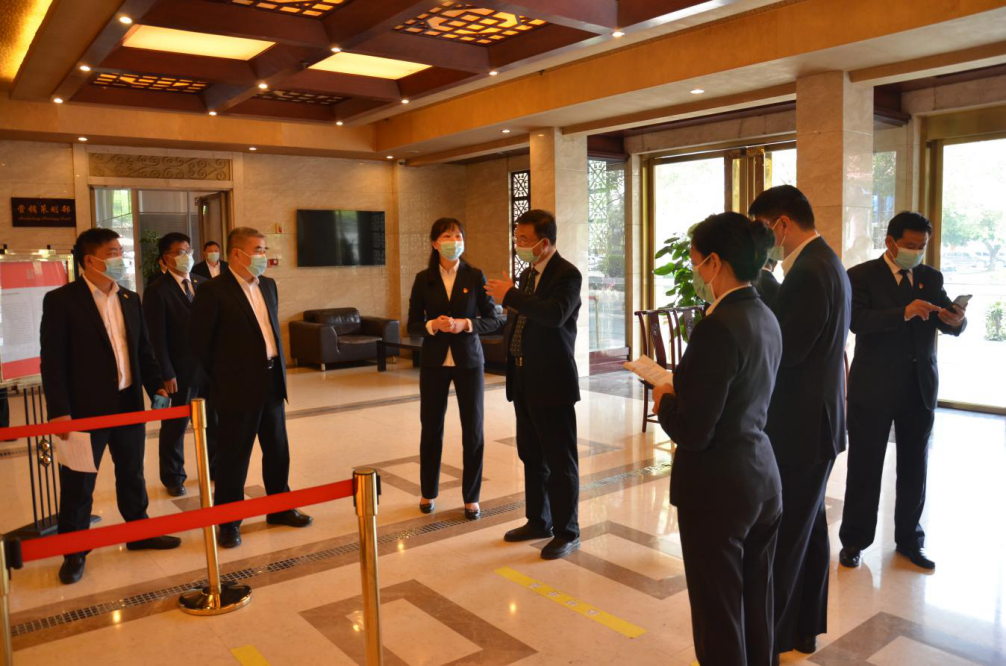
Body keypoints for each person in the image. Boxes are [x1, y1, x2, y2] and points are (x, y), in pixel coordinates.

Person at [653, 212, 783, 666]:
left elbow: (694, 431)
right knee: (756, 604)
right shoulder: (764, 314)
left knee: (719, 615)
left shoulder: (718, 326)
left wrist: (664, 399)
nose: (694, 270)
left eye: (695, 261)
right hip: (762, 478)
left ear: (714, 262)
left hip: (717, 490)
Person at [40, 228, 180, 585]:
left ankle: (139, 532)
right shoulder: (61, 301)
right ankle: (74, 551)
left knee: (132, 473)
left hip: (127, 402)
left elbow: (143, 350)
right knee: (79, 483)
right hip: (83, 410)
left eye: (120, 251)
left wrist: (156, 385)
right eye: (113, 252)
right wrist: (59, 411)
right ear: (90, 260)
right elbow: (52, 362)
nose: (121, 258)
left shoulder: (130, 298)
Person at [748, 185, 851, 659]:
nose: (762, 240)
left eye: (763, 229)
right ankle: (803, 629)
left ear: (782, 224)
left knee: (788, 537)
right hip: (816, 420)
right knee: (808, 533)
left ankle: (771, 640)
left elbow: (789, 349)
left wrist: (760, 282)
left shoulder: (810, 270)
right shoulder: (824, 261)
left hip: (803, 426)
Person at [839, 212, 966, 571]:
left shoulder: (930, 277)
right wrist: (903, 312)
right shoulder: (861, 275)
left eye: (922, 245)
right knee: (865, 468)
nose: (916, 251)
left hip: (918, 388)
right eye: (910, 245)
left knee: (914, 469)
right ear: (890, 242)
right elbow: (856, 321)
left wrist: (957, 319)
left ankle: (910, 540)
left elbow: (944, 318)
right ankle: (855, 541)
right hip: (873, 388)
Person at [190, 227, 311, 549]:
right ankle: (229, 522)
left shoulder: (268, 285)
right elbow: (200, 344)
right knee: (234, 458)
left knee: (277, 451)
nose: (263, 255)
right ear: (236, 254)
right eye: (257, 249)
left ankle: (279, 508)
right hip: (236, 388)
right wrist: (222, 381)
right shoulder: (213, 291)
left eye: (264, 249)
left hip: (272, 382)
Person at [486, 209, 582, 560]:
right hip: (523, 377)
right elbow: (521, 320)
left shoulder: (567, 274)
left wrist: (510, 295)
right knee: (531, 454)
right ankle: (538, 520)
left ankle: (567, 531)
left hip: (552, 380)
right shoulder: (527, 275)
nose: (519, 244)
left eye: (524, 239)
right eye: (517, 238)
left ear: (544, 242)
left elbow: (554, 314)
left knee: (560, 459)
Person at [407, 218, 504, 520]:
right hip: (434, 362)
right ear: (435, 243)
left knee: (473, 429)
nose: (454, 241)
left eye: (458, 236)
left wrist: (466, 324)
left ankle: (471, 497)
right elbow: (412, 325)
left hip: (469, 362)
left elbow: (494, 319)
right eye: (448, 236)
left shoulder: (474, 276)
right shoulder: (423, 279)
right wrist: (432, 325)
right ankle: (428, 491)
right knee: (431, 428)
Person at [144, 232, 216, 497]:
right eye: (179, 252)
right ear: (166, 258)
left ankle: (214, 467)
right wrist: (165, 372)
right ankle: (173, 477)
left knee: (213, 421)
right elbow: (156, 337)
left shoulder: (203, 284)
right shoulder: (157, 291)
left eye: (189, 250)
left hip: (208, 368)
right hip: (179, 371)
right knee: (175, 427)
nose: (186, 256)